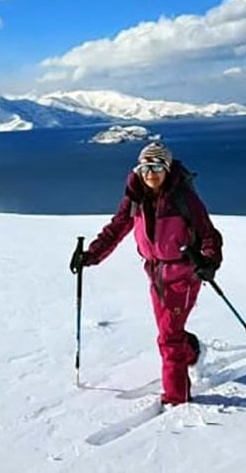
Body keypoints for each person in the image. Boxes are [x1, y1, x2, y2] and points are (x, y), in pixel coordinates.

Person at [70, 141, 223, 406]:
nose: (150, 172)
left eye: (157, 166)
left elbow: (209, 235)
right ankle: (192, 350)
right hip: (155, 274)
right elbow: (117, 228)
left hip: (184, 272)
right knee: (168, 330)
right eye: (145, 167)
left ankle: (177, 398)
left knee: (168, 337)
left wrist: (208, 262)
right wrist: (91, 255)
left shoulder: (183, 199)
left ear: (166, 168)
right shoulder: (135, 198)